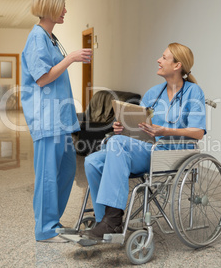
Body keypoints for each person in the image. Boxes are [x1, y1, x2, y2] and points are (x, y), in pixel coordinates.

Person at [82, 42, 206, 240]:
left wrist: (165, 130)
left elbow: (198, 132)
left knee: (116, 144)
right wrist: (122, 127)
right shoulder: (153, 93)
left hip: (171, 153)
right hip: (148, 150)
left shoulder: (194, 92)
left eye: (164, 57)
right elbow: (138, 125)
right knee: (92, 161)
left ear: (177, 65)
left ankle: (113, 221)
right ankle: (103, 220)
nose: (159, 60)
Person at [21, 0, 92, 243]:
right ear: (50, 7)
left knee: (67, 168)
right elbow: (41, 79)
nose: (65, 10)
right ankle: (45, 229)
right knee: (48, 176)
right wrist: (72, 57)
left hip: (59, 119)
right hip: (46, 119)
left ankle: (53, 221)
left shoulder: (50, 38)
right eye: (61, 5)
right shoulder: (37, 37)